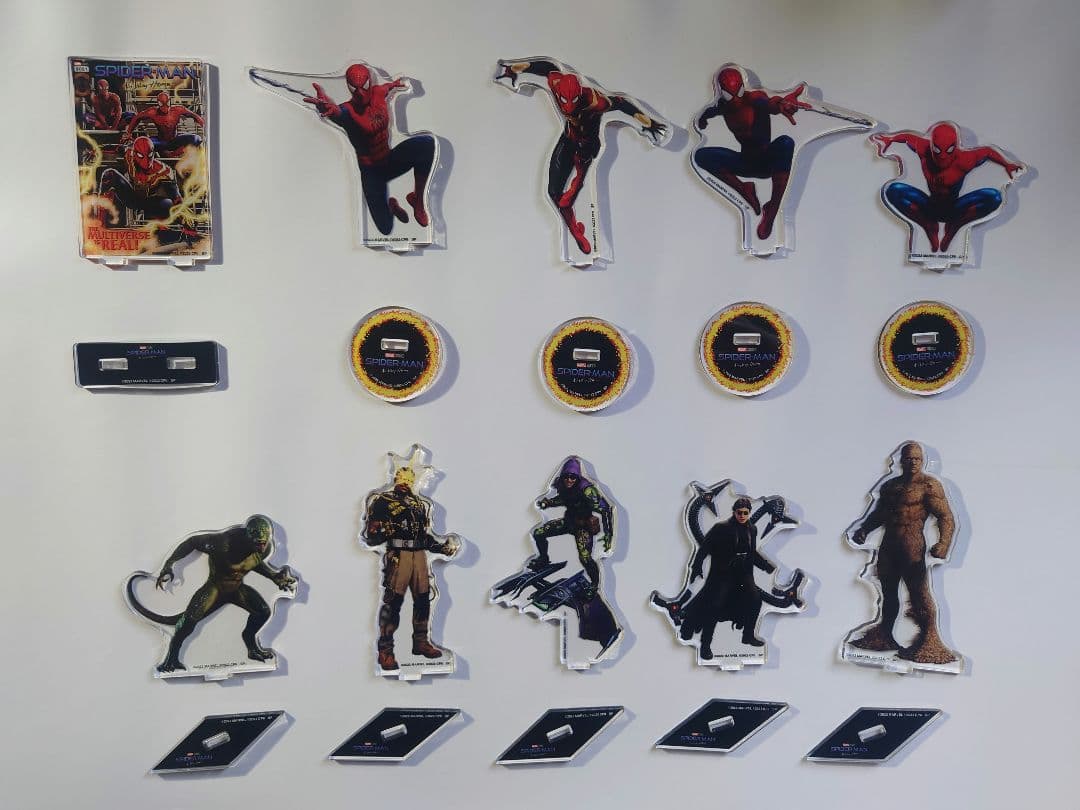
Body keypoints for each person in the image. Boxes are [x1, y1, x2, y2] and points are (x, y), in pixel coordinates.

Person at [496, 58, 667, 254]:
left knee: (568, 197)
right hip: (569, 138)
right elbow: (543, 67)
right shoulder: (555, 82)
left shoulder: (596, 101)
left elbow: (622, 104)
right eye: (564, 101)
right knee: (553, 193)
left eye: (574, 102)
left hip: (587, 145)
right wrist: (513, 69)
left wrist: (648, 123)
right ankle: (575, 231)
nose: (569, 107)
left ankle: (580, 225)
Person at [125, 516, 296, 673]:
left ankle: (251, 645)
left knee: (263, 612)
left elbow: (252, 562)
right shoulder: (223, 542)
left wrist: (274, 577)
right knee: (187, 623)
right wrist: (169, 563)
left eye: (263, 543)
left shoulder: (264, 548)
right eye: (257, 543)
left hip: (236, 589)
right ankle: (171, 659)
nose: (261, 547)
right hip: (215, 588)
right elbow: (192, 542)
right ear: (247, 536)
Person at [849, 442, 958, 663]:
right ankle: (884, 636)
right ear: (901, 461)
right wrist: (864, 530)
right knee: (888, 594)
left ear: (923, 461)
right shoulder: (891, 486)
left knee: (919, 595)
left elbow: (946, 516)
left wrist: (944, 544)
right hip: (888, 546)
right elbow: (880, 514)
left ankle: (930, 642)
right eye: (909, 458)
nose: (913, 462)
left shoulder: (929, 485)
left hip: (912, 547)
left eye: (917, 458)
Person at [303, 63, 435, 235]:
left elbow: (387, 87)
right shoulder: (347, 111)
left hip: (389, 160)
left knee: (427, 144)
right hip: (371, 172)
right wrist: (326, 108)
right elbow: (337, 113)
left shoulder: (379, 93)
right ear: (348, 87)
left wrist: (395, 84)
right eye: (354, 88)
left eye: (364, 86)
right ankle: (391, 207)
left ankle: (417, 199)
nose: (360, 93)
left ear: (370, 82)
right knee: (385, 229)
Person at [693, 65, 810, 240]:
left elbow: (770, 103)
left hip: (768, 162)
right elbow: (710, 111)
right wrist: (702, 119)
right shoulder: (723, 106)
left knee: (786, 143)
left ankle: (773, 208)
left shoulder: (755, 99)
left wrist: (782, 104)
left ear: (743, 87)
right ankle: (744, 189)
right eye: (728, 95)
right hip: (746, 162)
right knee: (701, 155)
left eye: (738, 92)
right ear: (720, 92)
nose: (735, 100)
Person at [363, 464, 459, 671]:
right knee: (393, 602)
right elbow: (370, 537)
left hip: (419, 555)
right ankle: (385, 651)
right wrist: (382, 531)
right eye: (403, 477)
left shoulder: (418, 504)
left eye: (410, 479)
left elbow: (424, 536)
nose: (406, 482)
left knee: (423, 600)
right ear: (396, 478)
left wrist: (441, 548)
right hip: (399, 555)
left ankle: (421, 642)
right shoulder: (383, 501)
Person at [872, 121, 1024, 253]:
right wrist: (889, 138)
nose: (943, 156)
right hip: (929, 207)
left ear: (955, 146)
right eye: (937, 150)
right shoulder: (923, 148)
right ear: (931, 146)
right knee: (893, 190)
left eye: (949, 150)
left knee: (994, 197)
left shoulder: (965, 159)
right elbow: (906, 137)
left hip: (955, 209)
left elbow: (988, 152)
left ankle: (956, 225)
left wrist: (1007, 164)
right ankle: (927, 225)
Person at [678, 497, 774, 658]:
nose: (742, 515)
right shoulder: (721, 528)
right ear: (734, 512)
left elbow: (751, 552)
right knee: (714, 608)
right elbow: (704, 548)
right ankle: (705, 645)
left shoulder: (752, 529)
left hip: (743, 573)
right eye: (739, 512)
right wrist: (697, 567)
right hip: (723, 574)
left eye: (745, 513)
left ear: (749, 513)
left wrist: (765, 566)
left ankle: (748, 635)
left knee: (756, 600)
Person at [529, 457, 613, 589]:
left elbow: (606, 509)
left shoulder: (587, 490)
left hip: (583, 527)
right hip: (569, 522)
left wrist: (609, 534)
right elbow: (563, 499)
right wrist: (548, 502)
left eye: (572, 477)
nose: (569, 480)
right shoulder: (563, 485)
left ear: (577, 477)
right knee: (538, 533)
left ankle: (594, 585)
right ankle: (543, 559)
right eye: (566, 477)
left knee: (585, 557)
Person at [97, 135, 180, 223]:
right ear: (135, 153)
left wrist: (183, 217)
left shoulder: (164, 170)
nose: (146, 161)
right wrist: (97, 149)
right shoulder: (129, 153)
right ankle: (99, 217)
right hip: (131, 197)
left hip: (149, 202)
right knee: (109, 174)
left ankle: (159, 225)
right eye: (141, 156)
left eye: (149, 155)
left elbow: (176, 197)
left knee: (169, 205)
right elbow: (115, 147)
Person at [123, 90, 204, 156]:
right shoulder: (152, 112)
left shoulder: (178, 110)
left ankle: (172, 154)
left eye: (167, 103)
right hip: (160, 141)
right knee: (141, 144)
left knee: (197, 139)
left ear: (170, 102)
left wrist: (202, 123)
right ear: (158, 103)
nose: (165, 107)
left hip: (175, 140)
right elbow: (137, 117)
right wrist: (128, 132)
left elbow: (194, 115)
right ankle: (162, 154)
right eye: (162, 104)